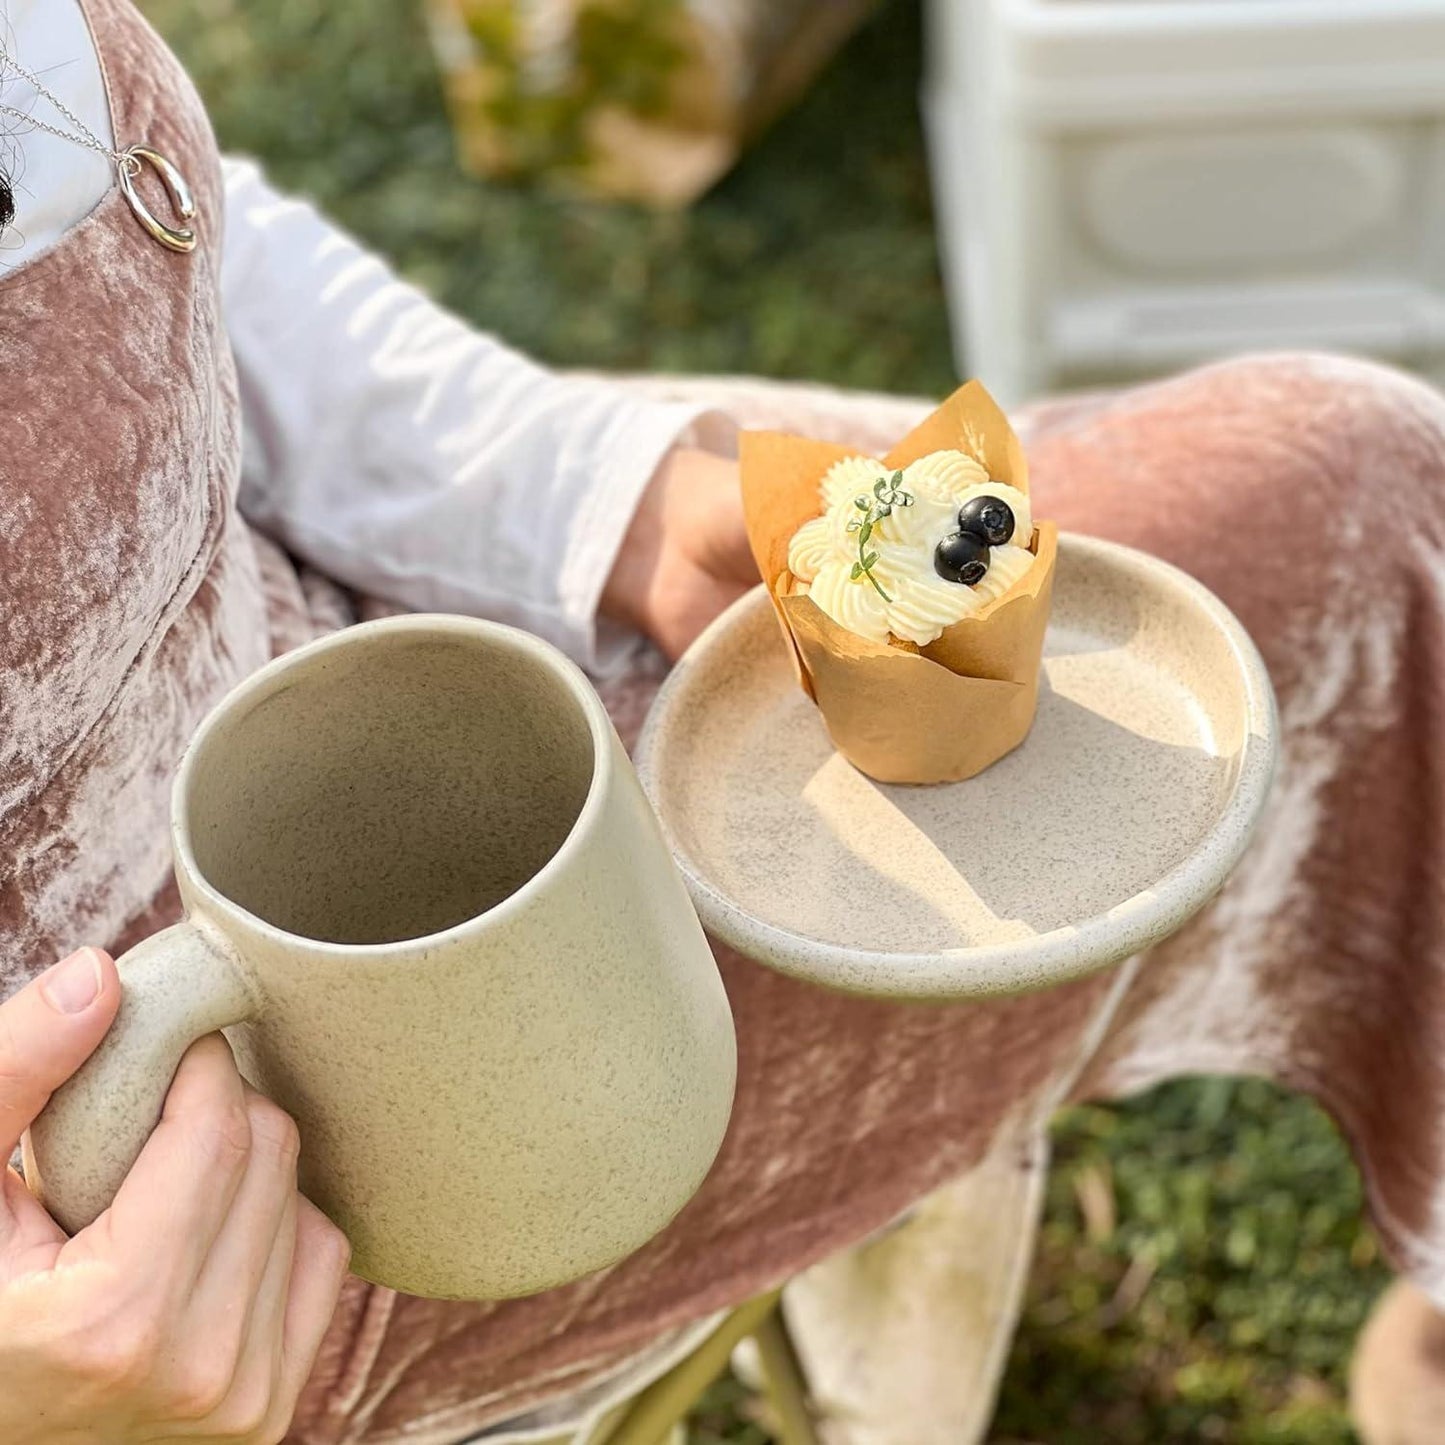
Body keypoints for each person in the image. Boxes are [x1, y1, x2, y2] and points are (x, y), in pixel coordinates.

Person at [4, 3, 1445, 1443]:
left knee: (1355, 484)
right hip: (273, 1221)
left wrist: (599, 505)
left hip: (372, 625)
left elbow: (173, 216)